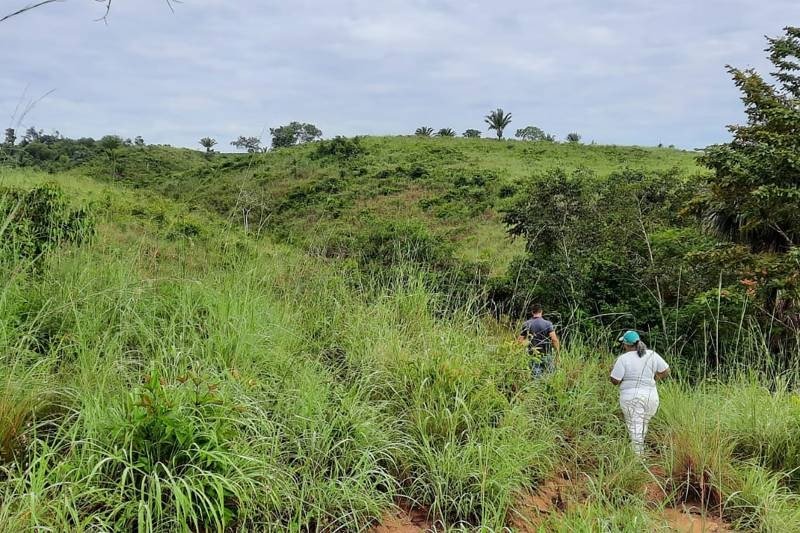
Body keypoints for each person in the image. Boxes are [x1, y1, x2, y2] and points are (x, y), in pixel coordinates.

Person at [609, 330, 670, 456]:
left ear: (626, 344)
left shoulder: (623, 359)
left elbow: (615, 380)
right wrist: (654, 379)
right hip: (651, 397)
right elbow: (666, 371)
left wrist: (613, 371)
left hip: (631, 397)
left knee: (635, 428)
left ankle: (638, 460)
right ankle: (640, 455)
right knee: (642, 425)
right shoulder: (652, 354)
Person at [517, 304, 561, 377]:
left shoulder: (526, 324)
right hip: (547, 354)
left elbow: (519, 341)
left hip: (533, 355)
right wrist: (557, 353)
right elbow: (554, 339)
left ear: (532, 312)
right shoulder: (548, 324)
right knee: (549, 376)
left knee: (536, 378)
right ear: (541, 311)